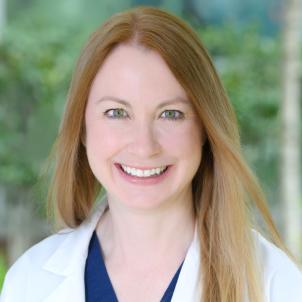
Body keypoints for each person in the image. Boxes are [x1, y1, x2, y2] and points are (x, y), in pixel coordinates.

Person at [1, 5, 302, 302]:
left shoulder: (276, 283)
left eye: (170, 114)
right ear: (81, 128)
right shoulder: (29, 283)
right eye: (117, 112)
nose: (144, 146)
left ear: (205, 130)